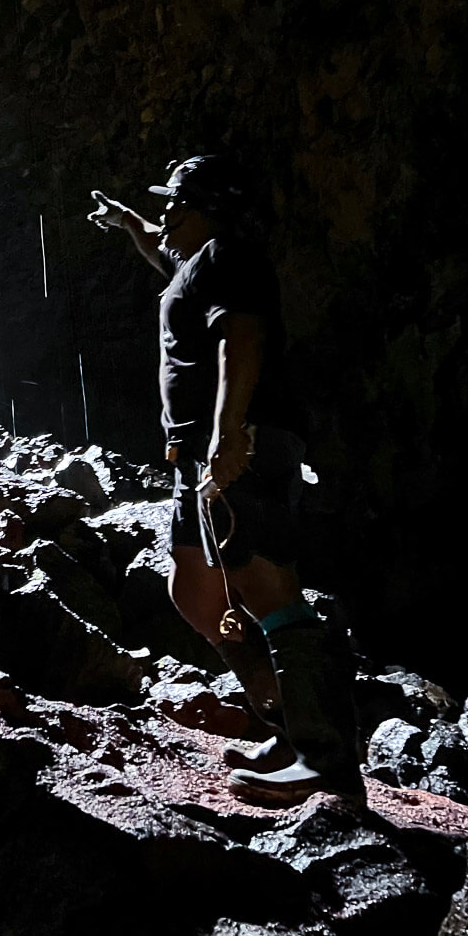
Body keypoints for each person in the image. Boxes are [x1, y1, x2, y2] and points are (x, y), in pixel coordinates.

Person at [89, 155, 364, 808]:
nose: (163, 216)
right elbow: (163, 256)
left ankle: (324, 758)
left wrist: (228, 433)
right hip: (197, 456)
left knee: (262, 581)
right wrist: (128, 223)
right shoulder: (192, 266)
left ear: (206, 207)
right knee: (197, 591)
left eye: (173, 204)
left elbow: (240, 338)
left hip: (245, 438)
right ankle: (287, 726)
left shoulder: (226, 255)